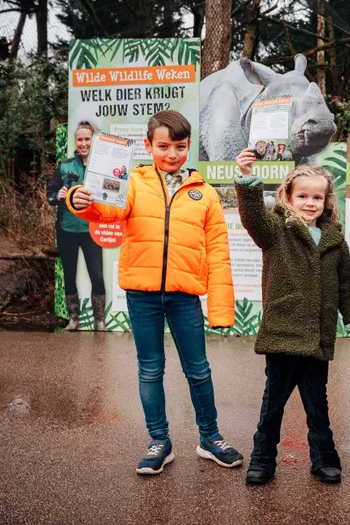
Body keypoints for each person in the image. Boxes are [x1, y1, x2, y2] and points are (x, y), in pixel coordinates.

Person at [67, 110, 244, 475]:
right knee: (150, 370)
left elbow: (218, 253)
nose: (172, 153)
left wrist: (222, 310)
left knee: (198, 371)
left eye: (180, 146)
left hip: (184, 297)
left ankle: (210, 438)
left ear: (189, 146)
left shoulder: (206, 194)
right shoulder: (133, 183)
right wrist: (78, 200)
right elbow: (105, 212)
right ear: (149, 146)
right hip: (142, 295)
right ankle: (159, 441)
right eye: (163, 146)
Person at [234, 149, 350, 485]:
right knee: (273, 405)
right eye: (303, 196)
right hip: (283, 332)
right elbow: (252, 217)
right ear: (288, 197)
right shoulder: (275, 229)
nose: (310, 203)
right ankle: (263, 459)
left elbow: (348, 280)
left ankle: (324, 459)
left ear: (326, 200)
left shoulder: (335, 237)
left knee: (317, 404)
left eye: (317, 197)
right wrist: (248, 177)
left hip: (318, 336)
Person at [46, 120, 106, 331]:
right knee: (69, 273)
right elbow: (50, 195)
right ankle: (74, 319)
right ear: (75, 141)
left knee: (97, 275)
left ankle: (100, 320)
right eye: (79, 139)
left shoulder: (102, 166)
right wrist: (57, 195)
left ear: (93, 140)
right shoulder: (64, 166)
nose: (83, 143)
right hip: (67, 229)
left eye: (87, 139)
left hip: (92, 229)